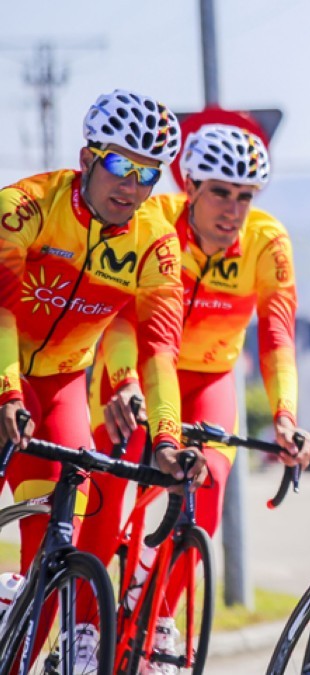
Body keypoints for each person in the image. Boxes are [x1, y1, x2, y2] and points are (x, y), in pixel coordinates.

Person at [75, 122, 310, 672]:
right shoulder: (152, 221)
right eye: (220, 193)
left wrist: (285, 416)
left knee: (203, 492)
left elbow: (278, 334)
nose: (233, 210)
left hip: (209, 380)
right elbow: (115, 313)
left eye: (245, 196)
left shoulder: (267, 241)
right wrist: (124, 382)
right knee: (109, 495)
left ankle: (156, 616)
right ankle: (83, 629)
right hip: (138, 368)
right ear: (190, 185)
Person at [0, 88, 204, 672]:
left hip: (61, 382)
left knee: (54, 544)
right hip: (3, 367)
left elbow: (160, 352)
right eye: (120, 165)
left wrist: (166, 439)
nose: (132, 187)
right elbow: (3, 310)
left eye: (148, 174)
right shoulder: (27, 206)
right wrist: (8, 393)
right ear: (88, 158)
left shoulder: (156, 243)